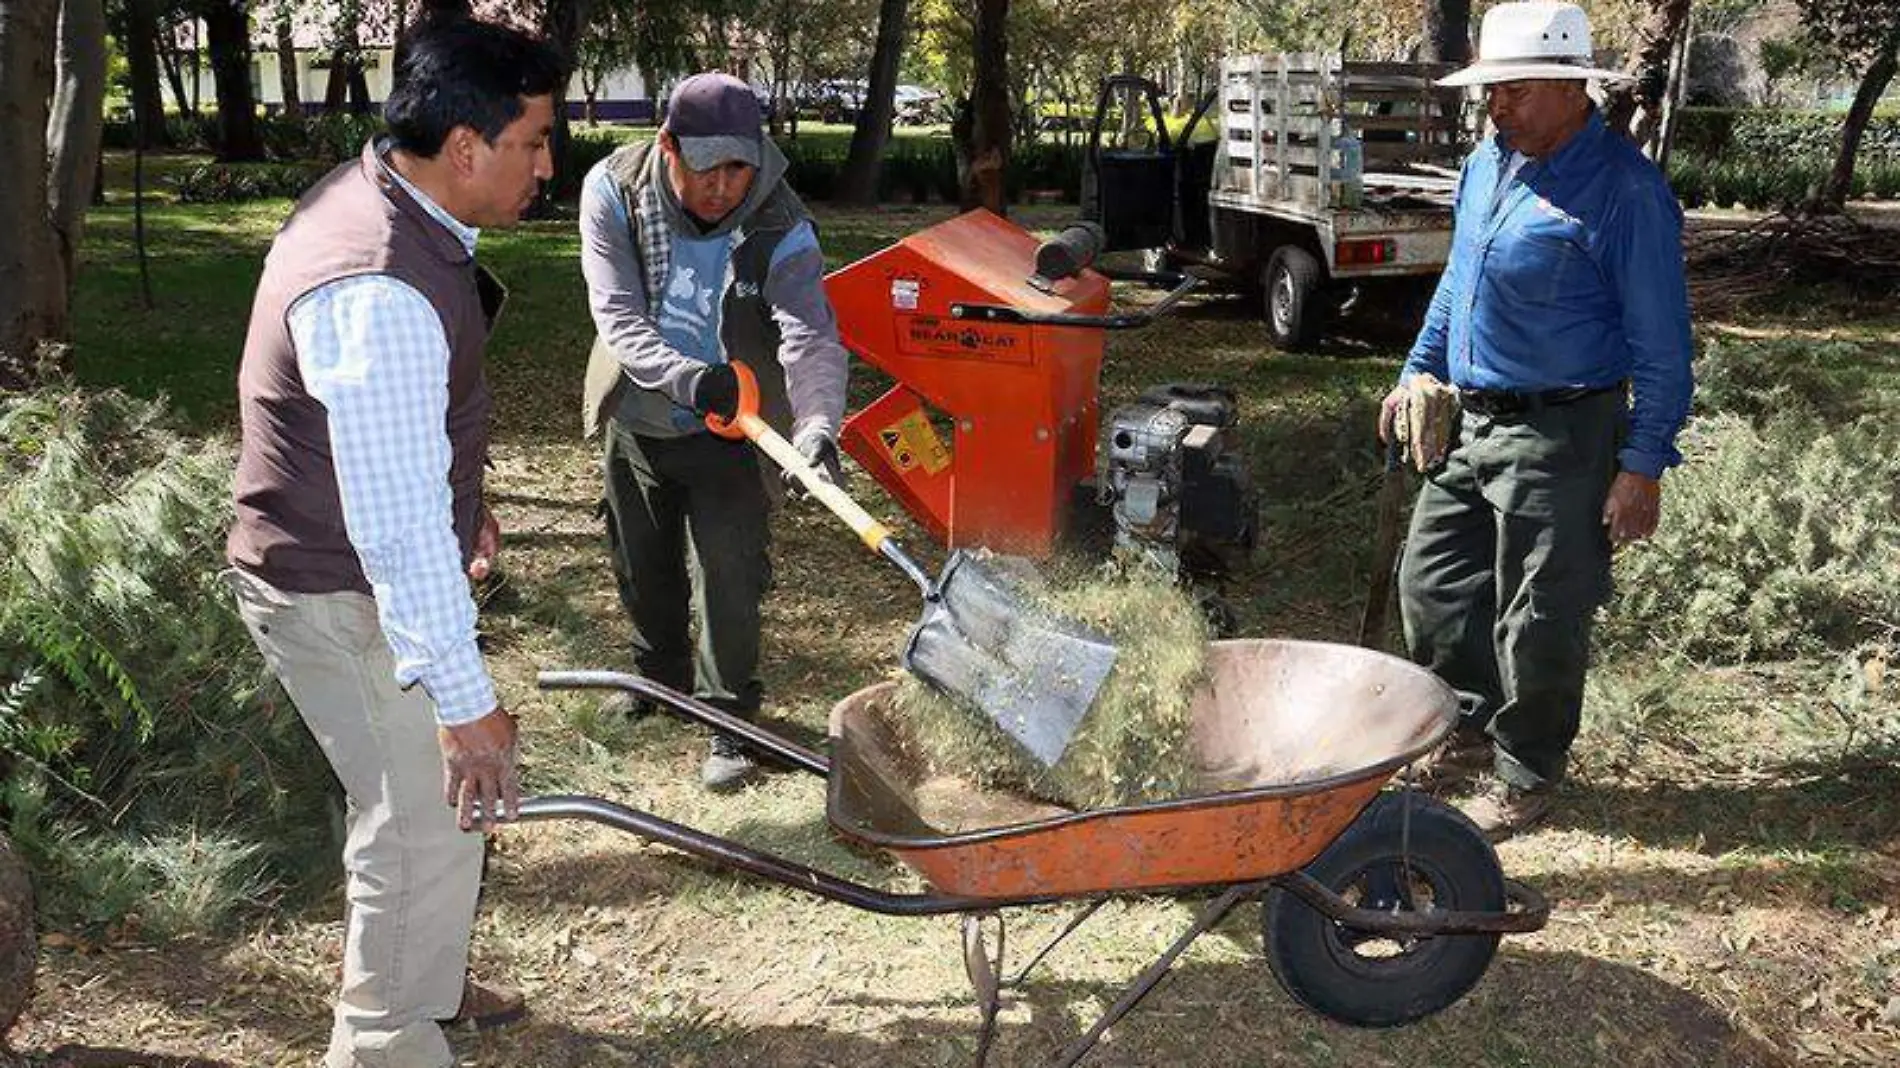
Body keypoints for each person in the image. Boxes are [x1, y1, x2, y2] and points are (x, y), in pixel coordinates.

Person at [222, 16, 565, 1066]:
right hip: (334, 588)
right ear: (465, 147)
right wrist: (463, 705)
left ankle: (426, 975)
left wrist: (465, 500)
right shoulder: (375, 278)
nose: (547, 166)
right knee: (424, 815)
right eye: (534, 142)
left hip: (344, 562)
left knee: (412, 805)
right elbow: (394, 526)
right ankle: (386, 1040)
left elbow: (398, 453)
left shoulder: (386, 198)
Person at [1378, 1, 1693, 840]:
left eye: (1513, 89)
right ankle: (1471, 726)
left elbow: (1662, 342)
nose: (1497, 106)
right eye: (1492, 90)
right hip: (1471, 421)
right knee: (1434, 581)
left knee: (1541, 611)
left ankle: (1526, 770)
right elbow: (1458, 284)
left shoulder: (1625, 190)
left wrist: (1644, 463)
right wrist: (1419, 371)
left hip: (1565, 432)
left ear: (1568, 88)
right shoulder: (1489, 164)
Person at [578, 72, 849, 791]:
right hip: (641, 412)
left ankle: (730, 721)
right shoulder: (612, 190)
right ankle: (656, 675)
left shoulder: (779, 218)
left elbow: (810, 333)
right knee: (641, 558)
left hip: (740, 425)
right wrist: (693, 379)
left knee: (730, 571)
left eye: (741, 166)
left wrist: (819, 426)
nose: (726, 186)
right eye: (709, 166)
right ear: (668, 146)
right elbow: (620, 321)